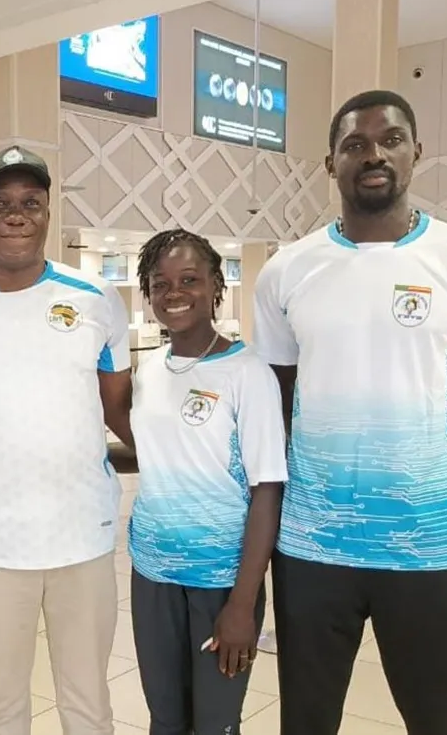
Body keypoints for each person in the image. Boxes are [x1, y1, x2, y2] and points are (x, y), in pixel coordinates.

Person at [254, 90, 447, 735]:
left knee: (441, 720)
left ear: (415, 152)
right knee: (308, 721)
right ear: (330, 162)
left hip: (426, 543)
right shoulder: (288, 271)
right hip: (313, 545)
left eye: (390, 139)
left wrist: (422, 456)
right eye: (354, 144)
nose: (372, 154)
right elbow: (277, 397)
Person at [0, 146, 131, 734]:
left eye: (31, 203)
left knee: (88, 701)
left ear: (48, 215)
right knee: (0, 704)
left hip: (83, 537)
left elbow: (119, 410)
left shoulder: (95, 299)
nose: (17, 214)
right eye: (2, 204)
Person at [118, 229, 286, 735]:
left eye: (190, 279)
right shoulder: (149, 370)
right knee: (165, 718)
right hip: (152, 572)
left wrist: (243, 604)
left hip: (221, 580)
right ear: (147, 294)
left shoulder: (247, 373)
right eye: (160, 282)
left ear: (216, 286)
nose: (175, 292)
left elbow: (267, 489)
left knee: (214, 723)